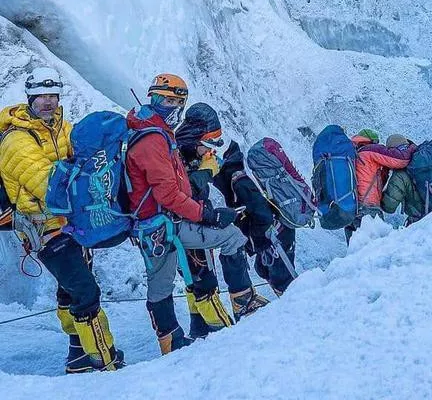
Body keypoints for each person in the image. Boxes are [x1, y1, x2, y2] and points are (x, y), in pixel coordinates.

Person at [126, 74, 267, 355]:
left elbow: (174, 186)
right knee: (229, 239)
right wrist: (208, 214)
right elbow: (170, 194)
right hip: (166, 222)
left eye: (176, 101)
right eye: (166, 99)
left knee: (160, 286)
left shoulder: (153, 132)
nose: (171, 106)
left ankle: (173, 343)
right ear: (152, 98)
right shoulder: (154, 139)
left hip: (152, 225)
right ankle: (241, 305)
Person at [0, 67, 123, 372]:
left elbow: (85, 159)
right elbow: (48, 186)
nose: (48, 101)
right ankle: (104, 359)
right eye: (41, 95)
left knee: (70, 289)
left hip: (70, 223)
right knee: (85, 290)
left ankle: (78, 355)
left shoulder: (62, 129)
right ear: (30, 97)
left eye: (53, 95)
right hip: (43, 227)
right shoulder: (16, 141)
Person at [174, 103, 235, 339]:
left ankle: (198, 326)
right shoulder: (177, 156)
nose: (210, 152)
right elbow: (182, 191)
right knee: (204, 279)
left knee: (192, 278)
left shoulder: (184, 153)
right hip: (185, 223)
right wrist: (206, 172)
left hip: (185, 222)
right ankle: (224, 333)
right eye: (207, 145)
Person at [214, 142, 298, 297]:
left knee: (282, 279)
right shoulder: (237, 177)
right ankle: (291, 304)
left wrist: (258, 241)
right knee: (265, 270)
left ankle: (297, 307)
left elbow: (262, 214)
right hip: (276, 234)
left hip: (274, 236)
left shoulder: (240, 182)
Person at [347, 131, 414, 243]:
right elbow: (401, 160)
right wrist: (411, 147)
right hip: (367, 208)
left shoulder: (353, 154)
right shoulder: (370, 150)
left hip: (350, 212)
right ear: (372, 141)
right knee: (374, 253)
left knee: (356, 255)